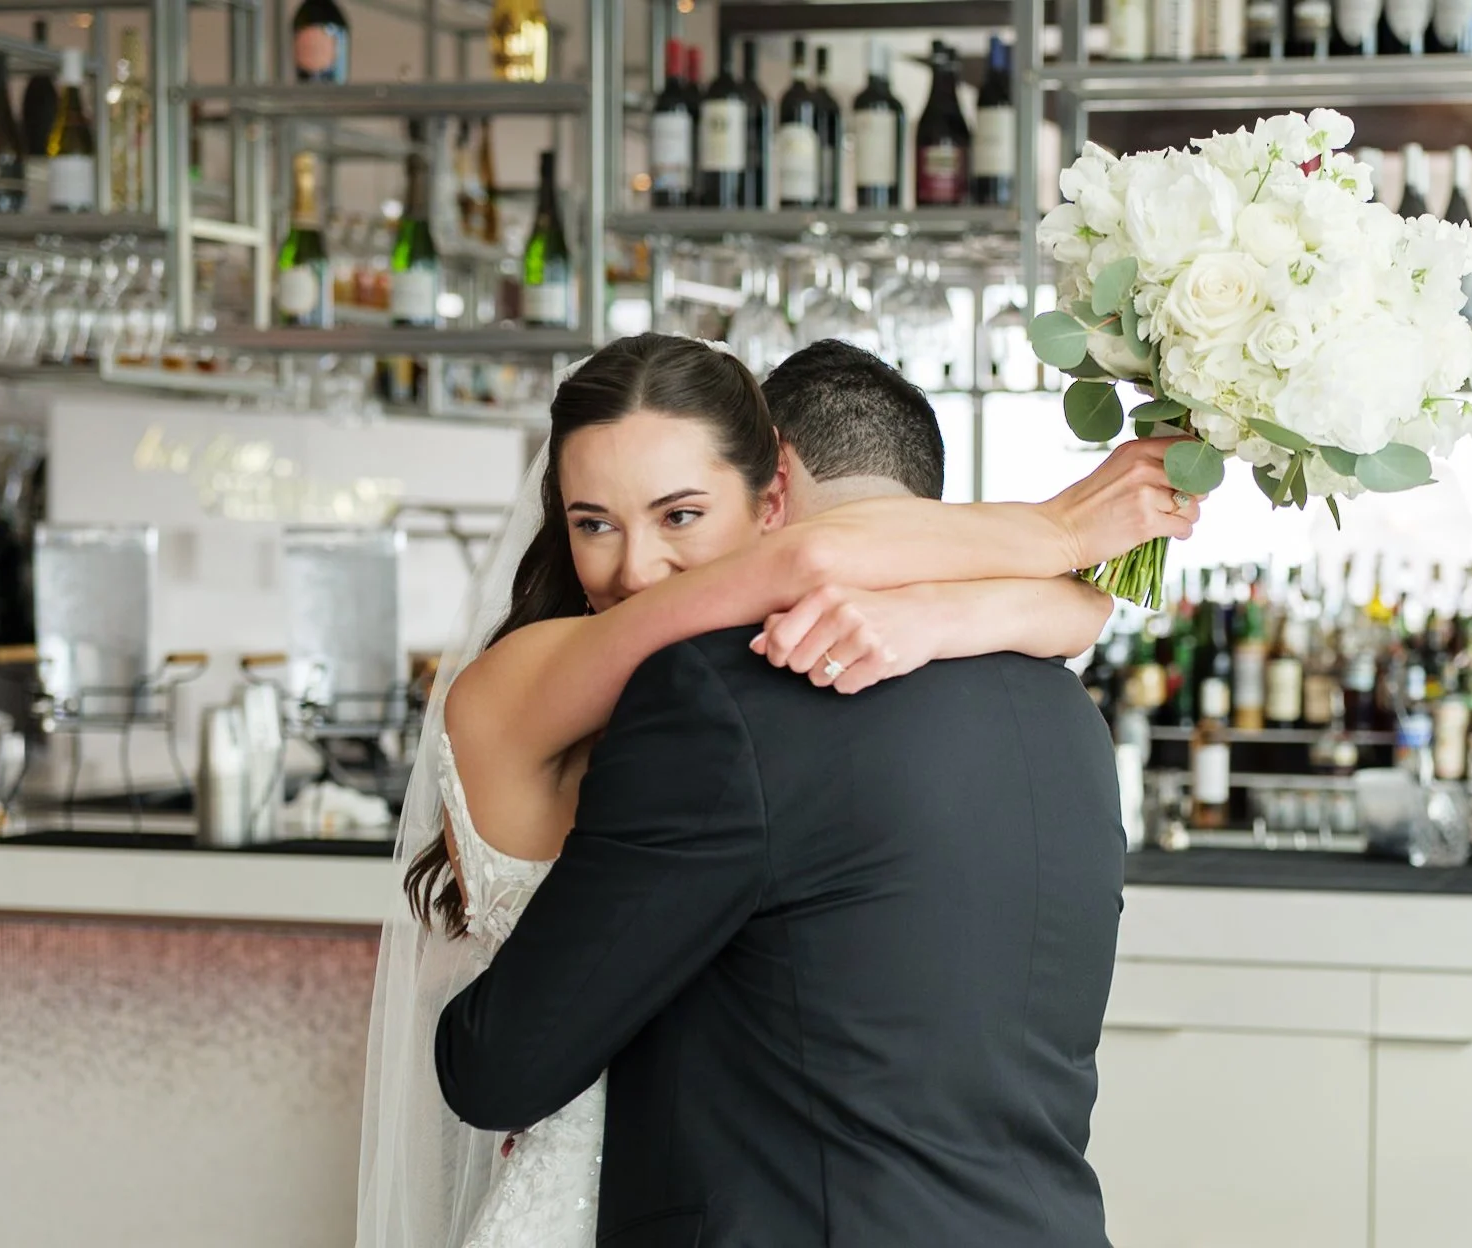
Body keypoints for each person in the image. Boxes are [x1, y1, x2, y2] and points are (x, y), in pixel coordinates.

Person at [357, 333, 1199, 1248]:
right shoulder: (1057, 708)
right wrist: (1065, 534)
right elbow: (811, 563)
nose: (635, 567)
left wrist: (997, 601)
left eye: (679, 514)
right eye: (592, 521)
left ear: (773, 495)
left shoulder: (725, 698)